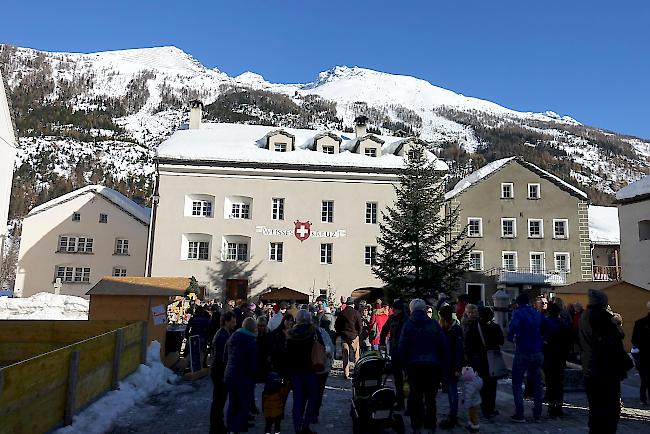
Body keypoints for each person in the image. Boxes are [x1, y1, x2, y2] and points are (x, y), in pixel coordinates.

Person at [580, 289, 632, 433]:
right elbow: (616, 340)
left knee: (596, 410)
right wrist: (616, 323)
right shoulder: (602, 318)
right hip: (605, 371)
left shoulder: (585, 315)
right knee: (609, 412)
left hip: (590, 368)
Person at [398, 298, 448, 433]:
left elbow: (402, 348)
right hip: (433, 366)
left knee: (416, 397)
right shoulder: (433, 324)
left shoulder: (408, 325)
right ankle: (431, 424)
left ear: (411, 309)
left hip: (414, 367)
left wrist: (404, 366)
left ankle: (416, 426)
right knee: (431, 398)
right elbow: (443, 345)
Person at [508, 293, 544, 423]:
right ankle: (537, 414)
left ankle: (520, 414)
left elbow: (512, 328)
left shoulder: (517, 313)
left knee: (517, 383)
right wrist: (542, 339)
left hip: (523, 350)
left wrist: (510, 337)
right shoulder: (536, 313)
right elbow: (549, 327)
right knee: (537, 383)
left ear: (517, 303)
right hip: (537, 351)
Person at [286, 309, 324, 434]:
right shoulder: (314, 332)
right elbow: (322, 347)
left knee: (297, 400)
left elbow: (287, 353)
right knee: (312, 399)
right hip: (310, 370)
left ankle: (297, 428)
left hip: (295, 371)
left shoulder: (291, 334)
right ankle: (306, 425)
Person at [464, 306, 503, 419]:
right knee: (492, 385)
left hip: (479, 359)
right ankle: (490, 408)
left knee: (482, 383)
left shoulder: (474, 327)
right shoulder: (495, 327)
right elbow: (501, 341)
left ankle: (484, 406)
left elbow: (468, 343)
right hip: (492, 358)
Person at [224, 317, 258, 434]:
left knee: (233, 404)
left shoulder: (233, 337)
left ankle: (230, 428)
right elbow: (252, 363)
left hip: (230, 374)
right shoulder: (251, 341)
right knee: (244, 405)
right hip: (243, 377)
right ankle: (234, 428)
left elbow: (225, 356)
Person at [543, 302, 571, 417]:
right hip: (559, 357)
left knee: (549, 382)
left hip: (548, 356)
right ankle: (558, 407)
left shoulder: (545, 323)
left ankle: (550, 407)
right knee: (559, 382)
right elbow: (568, 342)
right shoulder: (563, 324)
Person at [209, 311, 236, 434]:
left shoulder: (224, 334)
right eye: (232, 321)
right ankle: (216, 426)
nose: (234, 324)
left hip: (220, 370)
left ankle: (218, 424)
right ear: (226, 321)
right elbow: (222, 357)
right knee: (218, 401)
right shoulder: (222, 336)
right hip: (219, 371)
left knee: (220, 400)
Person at [438, 304, 464, 429]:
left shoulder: (455, 330)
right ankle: (451, 414)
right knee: (450, 391)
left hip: (452, 366)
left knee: (453, 392)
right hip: (446, 365)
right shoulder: (445, 329)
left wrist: (458, 368)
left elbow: (458, 350)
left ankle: (453, 416)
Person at [379, 298, 408, 409]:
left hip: (405, 352)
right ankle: (400, 402)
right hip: (395, 351)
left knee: (407, 379)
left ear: (399, 309)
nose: (393, 311)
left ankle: (409, 403)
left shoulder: (406, 320)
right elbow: (384, 330)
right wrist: (382, 342)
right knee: (398, 378)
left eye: (394, 309)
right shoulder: (392, 319)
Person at [335, 297, 363, 379]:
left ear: (346, 304)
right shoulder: (356, 313)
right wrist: (358, 334)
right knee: (356, 356)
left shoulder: (342, 313)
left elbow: (337, 325)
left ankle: (346, 374)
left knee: (345, 355)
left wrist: (340, 333)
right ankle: (357, 372)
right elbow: (360, 326)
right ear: (353, 304)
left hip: (344, 336)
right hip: (354, 336)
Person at [314, 314, 334, 423]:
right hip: (322, 367)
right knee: (319, 391)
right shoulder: (323, 332)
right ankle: (314, 412)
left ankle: (310, 412)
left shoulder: (305, 333)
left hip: (311, 368)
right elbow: (329, 349)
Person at [632, 301, 650, 405]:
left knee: (644, 379)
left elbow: (634, 340)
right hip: (644, 355)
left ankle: (643, 399)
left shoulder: (639, 323)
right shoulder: (640, 323)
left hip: (643, 356)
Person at [460, 366, 483, 434]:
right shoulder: (473, 381)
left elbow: (468, 397)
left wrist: (465, 405)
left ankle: (476, 428)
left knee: (473, 416)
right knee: (471, 415)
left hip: (473, 403)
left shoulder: (469, 385)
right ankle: (472, 425)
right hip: (474, 402)